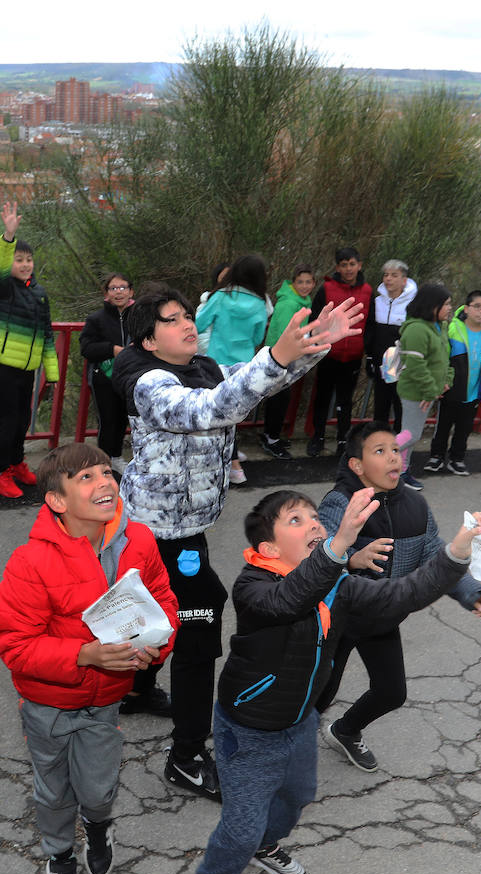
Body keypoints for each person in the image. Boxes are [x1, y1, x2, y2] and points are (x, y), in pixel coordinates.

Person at [177, 484, 481, 874]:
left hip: (300, 720)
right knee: (238, 831)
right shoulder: (253, 586)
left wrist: (456, 551)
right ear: (267, 548)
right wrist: (339, 544)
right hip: (250, 729)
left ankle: (267, 844)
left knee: (297, 798)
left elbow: (400, 593)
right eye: (296, 521)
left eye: (313, 517)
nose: (313, 524)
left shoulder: (338, 585)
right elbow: (291, 600)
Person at [110, 284, 365, 800]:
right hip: (153, 537)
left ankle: (135, 690)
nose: (187, 323)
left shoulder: (200, 367)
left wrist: (310, 345)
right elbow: (211, 409)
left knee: (155, 617)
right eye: (172, 319)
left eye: (187, 314)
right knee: (199, 627)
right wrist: (275, 355)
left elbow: (252, 385)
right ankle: (184, 756)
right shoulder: (149, 384)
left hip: (184, 531)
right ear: (149, 339)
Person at [0, 443, 179, 874]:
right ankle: (59, 856)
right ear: (57, 501)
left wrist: (159, 644)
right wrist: (84, 654)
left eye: (105, 472)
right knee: (53, 793)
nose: (104, 482)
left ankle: (98, 826)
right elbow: (16, 645)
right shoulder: (29, 562)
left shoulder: (138, 540)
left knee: (96, 791)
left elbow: (162, 600)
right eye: (85, 478)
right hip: (48, 705)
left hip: (106, 701)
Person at [313, 421, 481, 772]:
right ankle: (284, 747)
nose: (393, 457)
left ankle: (345, 730)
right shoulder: (341, 502)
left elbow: (433, 554)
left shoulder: (415, 504)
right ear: (357, 466)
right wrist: (351, 557)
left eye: (395, 449)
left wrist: (471, 591)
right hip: (337, 619)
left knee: (391, 692)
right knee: (319, 692)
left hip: (382, 615)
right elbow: (317, 552)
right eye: (379, 451)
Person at [0, 202, 59, 499]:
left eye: (28, 260)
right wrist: (8, 237)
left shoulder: (39, 294)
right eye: (19, 259)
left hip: (27, 369)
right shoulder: (4, 289)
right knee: (8, 420)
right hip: (2, 366)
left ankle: (16, 463)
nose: (25, 264)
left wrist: (51, 373)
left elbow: (47, 335)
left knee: (23, 420)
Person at [195, 254, 272, 484]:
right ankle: (231, 459)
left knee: (213, 412)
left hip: (215, 363)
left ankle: (227, 465)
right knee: (232, 414)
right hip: (244, 365)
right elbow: (258, 336)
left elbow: (199, 324)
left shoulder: (220, 297)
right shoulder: (260, 304)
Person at [424, 290, 481, 476]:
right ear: (467, 308)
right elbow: (442, 359)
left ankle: (457, 459)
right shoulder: (452, 329)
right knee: (442, 426)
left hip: (474, 391)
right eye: (477, 307)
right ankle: (436, 456)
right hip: (451, 389)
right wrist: (441, 382)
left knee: (464, 429)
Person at [306, 248, 372, 458]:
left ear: (359, 265)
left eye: (352, 264)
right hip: (328, 353)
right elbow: (314, 320)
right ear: (337, 268)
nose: (348, 269)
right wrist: (315, 345)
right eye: (343, 265)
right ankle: (318, 438)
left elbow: (370, 324)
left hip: (353, 356)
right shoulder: (327, 288)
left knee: (345, 401)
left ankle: (344, 440)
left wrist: (368, 353)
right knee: (322, 398)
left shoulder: (369, 291)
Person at [394, 283, 455, 491]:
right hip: (415, 391)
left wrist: (446, 379)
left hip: (429, 391)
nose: (449, 308)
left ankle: (400, 472)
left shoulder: (440, 327)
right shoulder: (417, 330)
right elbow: (415, 366)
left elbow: (443, 358)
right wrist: (430, 390)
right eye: (445, 304)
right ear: (432, 305)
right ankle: (374, 457)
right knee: (412, 434)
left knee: (410, 433)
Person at [259, 265, 317, 459]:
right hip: (280, 357)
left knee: (281, 397)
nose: (304, 286)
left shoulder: (302, 301)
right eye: (300, 282)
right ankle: (270, 439)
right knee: (278, 398)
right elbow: (286, 334)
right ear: (293, 283)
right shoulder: (289, 303)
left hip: (288, 356)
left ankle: (271, 435)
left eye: (308, 282)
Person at [78, 272, 134, 467]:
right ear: (106, 293)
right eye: (113, 288)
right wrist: (112, 350)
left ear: (130, 291)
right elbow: (86, 348)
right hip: (102, 377)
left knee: (122, 419)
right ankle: (102, 461)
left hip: (129, 377)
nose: (118, 292)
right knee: (107, 419)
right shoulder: (96, 319)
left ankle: (116, 457)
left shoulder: (137, 317)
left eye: (122, 288)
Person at [363, 259, 416, 431]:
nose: (388, 279)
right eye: (386, 275)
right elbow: (370, 331)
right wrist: (370, 356)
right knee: (381, 404)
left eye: (394, 275)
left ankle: (401, 445)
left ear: (404, 280)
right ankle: (379, 442)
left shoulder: (413, 305)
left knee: (401, 405)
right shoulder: (377, 302)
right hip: (380, 361)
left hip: (402, 363)